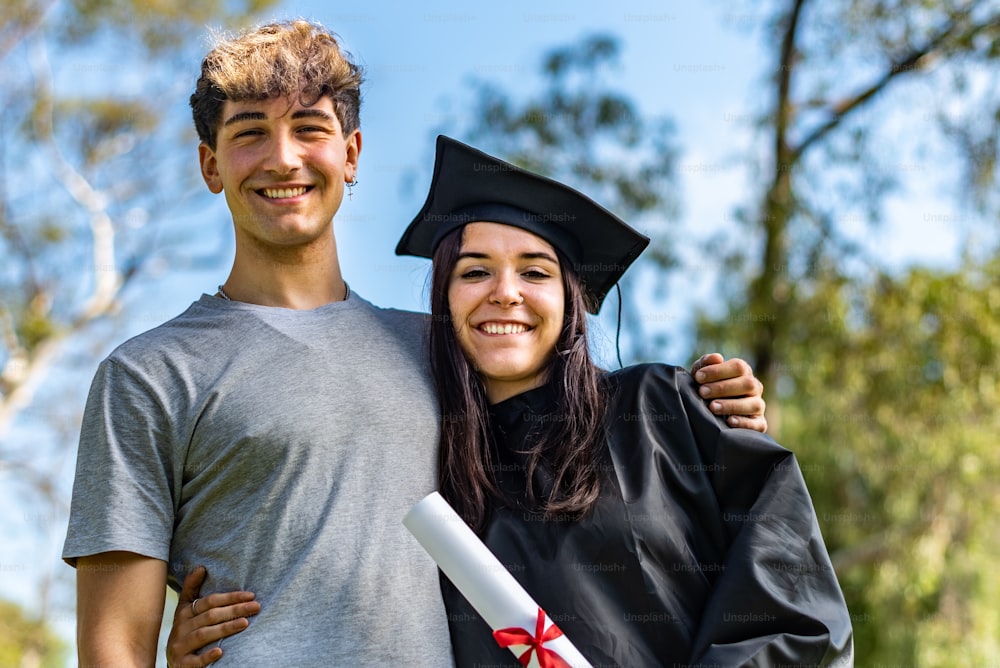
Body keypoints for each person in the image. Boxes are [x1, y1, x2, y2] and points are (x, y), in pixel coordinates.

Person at [62, 20, 768, 668]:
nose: (282, 159)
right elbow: (111, 647)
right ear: (212, 165)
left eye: (309, 128)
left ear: (351, 154)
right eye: (249, 133)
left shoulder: (442, 351)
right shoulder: (148, 375)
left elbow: (579, 449)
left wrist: (707, 430)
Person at [168, 139, 850, 666]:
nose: (505, 293)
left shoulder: (663, 412)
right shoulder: (419, 463)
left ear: (570, 302)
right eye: (474, 272)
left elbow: (791, 596)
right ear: (442, 301)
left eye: (533, 270)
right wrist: (221, 644)